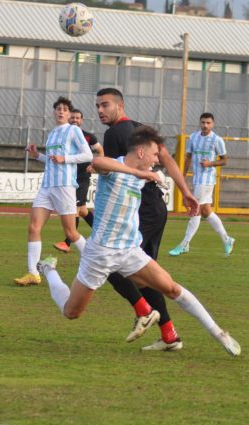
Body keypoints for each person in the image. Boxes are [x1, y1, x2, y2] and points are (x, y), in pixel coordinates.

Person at [37, 126, 240, 357]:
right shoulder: (117, 168)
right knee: (71, 312)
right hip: (100, 254)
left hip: (130, 252)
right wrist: (140, 174)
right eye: (155, 155)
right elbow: (99, 162)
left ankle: (219, 334)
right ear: (141, 153)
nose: (157, 161)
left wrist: (185, 191)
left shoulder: (151, 174)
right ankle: (48, 269)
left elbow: (168, 168)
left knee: (172, 288)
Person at [95, 87, 200, 352]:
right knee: (143, 272)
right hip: (155, 208)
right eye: (97, 106)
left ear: (120, 105)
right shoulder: (144, 130)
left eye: (105, 105)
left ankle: (144, 311)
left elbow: (113, 172)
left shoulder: (113, 134)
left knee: (115, 267)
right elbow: (167, 159)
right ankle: (169, 335)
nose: (100, 111)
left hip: (142, 209)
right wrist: (185, 192)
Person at [14, 96, 93, 286]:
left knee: (71, 232)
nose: (61, 111)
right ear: (54, 112)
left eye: (65, 109)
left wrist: (64, 158)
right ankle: (33, 273)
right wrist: (36, 155)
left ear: (69, 113)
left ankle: (95, 262)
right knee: (33, 227)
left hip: (64, 186)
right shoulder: (52, 133)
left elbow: (88, 155)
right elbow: (51, 159)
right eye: (58, 108)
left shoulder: (73, 130)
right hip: (47, 186)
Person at [169, 112, 235, 258]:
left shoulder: (217, 140)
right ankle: (227, 239)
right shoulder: (193, 137)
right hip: (197, 178)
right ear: (200, 123)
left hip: (207, 180)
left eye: (208, 123)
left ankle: (184, 244)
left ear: (213, 124)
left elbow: (224, 160)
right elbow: (188, 157)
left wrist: (210, 163)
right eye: (203, 122)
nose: (205, 125)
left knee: (195, 209)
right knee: (205, 211)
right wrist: (183, 175)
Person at [53, 108, 104, 253]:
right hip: (69, 176)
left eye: (77, 118)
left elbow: (100, 151)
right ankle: (102, 234)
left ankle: (67, 243)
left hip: (82, 178)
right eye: (72, 118)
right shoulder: (63, 136)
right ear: (68, 118)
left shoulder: (88, 137)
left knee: (73, 208)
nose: (75, 120)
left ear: (81, 121)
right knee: (82, 211)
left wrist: (95, 164)